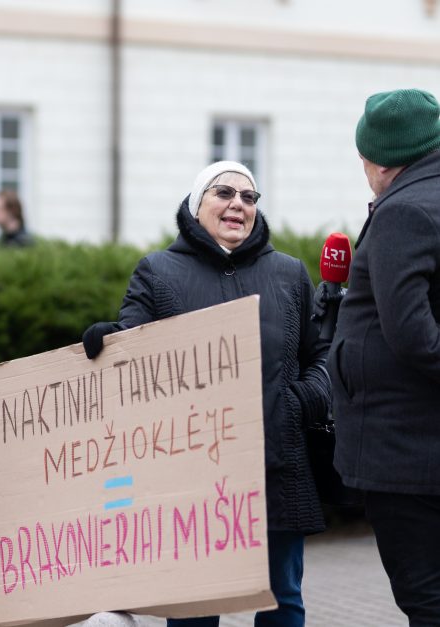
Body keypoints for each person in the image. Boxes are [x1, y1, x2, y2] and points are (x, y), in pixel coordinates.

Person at [82, 161, 330, 627]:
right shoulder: (159, 271)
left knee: (284, 600)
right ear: (199, 206)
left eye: (249, 197)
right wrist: (108, 339)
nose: (238, 203)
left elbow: (321, 356)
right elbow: (134, 349)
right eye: (224, 193)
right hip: (193, 473)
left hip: (275, 464)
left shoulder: (289, 274)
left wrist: (300, 402)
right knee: (196, 608)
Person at [329, 88, 440, 626]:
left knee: (425, 596)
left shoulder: (406, 211)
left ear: (378, 159)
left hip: (407, 451)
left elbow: (413, 333)